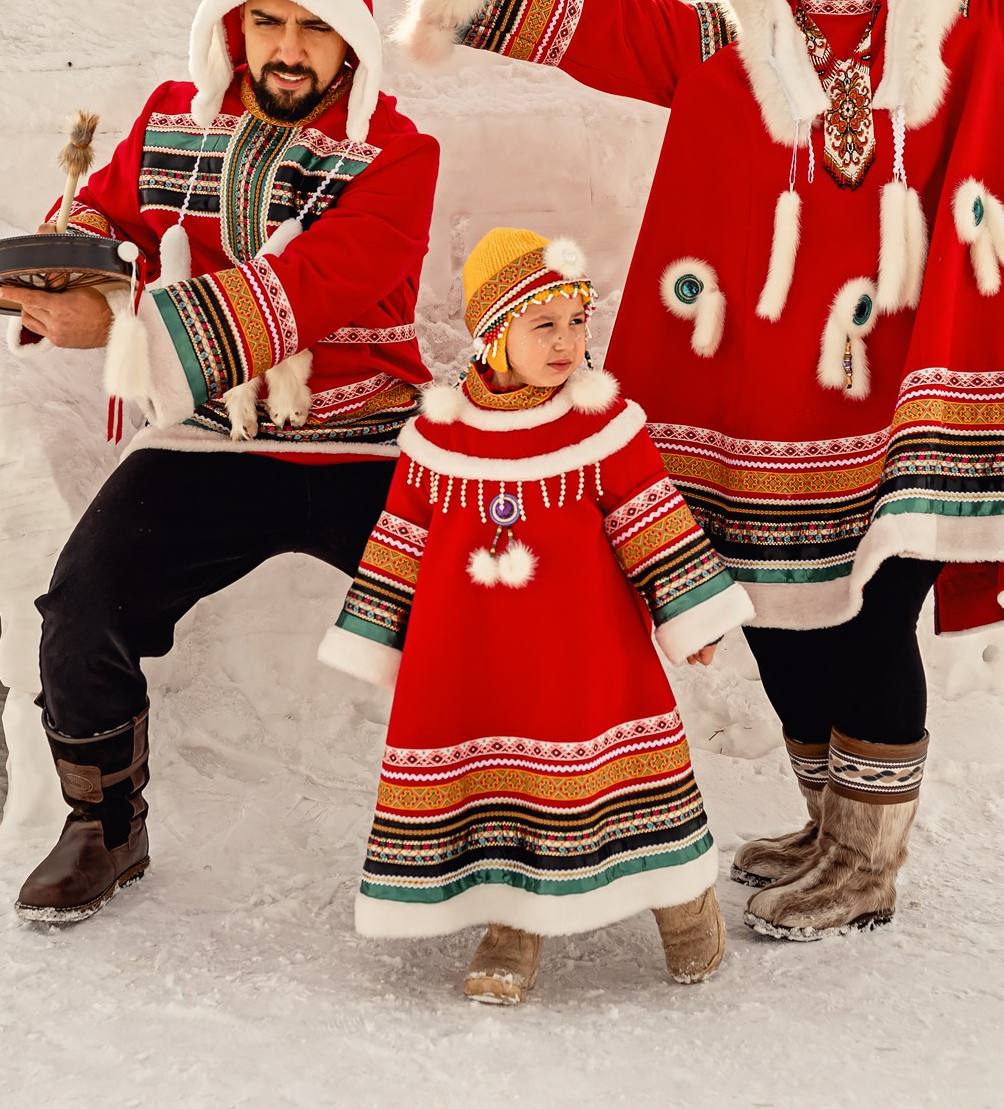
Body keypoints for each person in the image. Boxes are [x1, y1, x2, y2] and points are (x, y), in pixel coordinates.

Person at [365, 0, 1004, 938]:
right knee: (782, 620)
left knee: (870, 616)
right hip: (760, 407)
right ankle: (830, 821)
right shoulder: (718, 51)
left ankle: (871, 865)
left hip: (912, 394)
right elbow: (590, 17)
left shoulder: (960, 28)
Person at [0, 0, 440, 924]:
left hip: (361, 435)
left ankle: (492, 828)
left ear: (351, 41)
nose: (288, 49)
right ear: (236, 27)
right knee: (80, 608)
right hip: (212, 438)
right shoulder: (168, 121)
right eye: (267, 22)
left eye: (313, 28)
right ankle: (103, 829)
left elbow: (312, 289)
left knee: (468, 622)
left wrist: (112, 327)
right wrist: (68, 252)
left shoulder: (398, 154)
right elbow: (113, 219)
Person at [318, 228, 752, 1003]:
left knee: (629, 785)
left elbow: (652, 519)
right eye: (541, 323)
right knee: (500, 794)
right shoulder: (437, 438)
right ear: (492, 335)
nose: (565, 342)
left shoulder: (602, 427)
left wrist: (693, 616)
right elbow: (400, 545)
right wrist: (375, 644)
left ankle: (685, 903)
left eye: (576, 320)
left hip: (590, 659)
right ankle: (511, 923)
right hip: (473, 663)